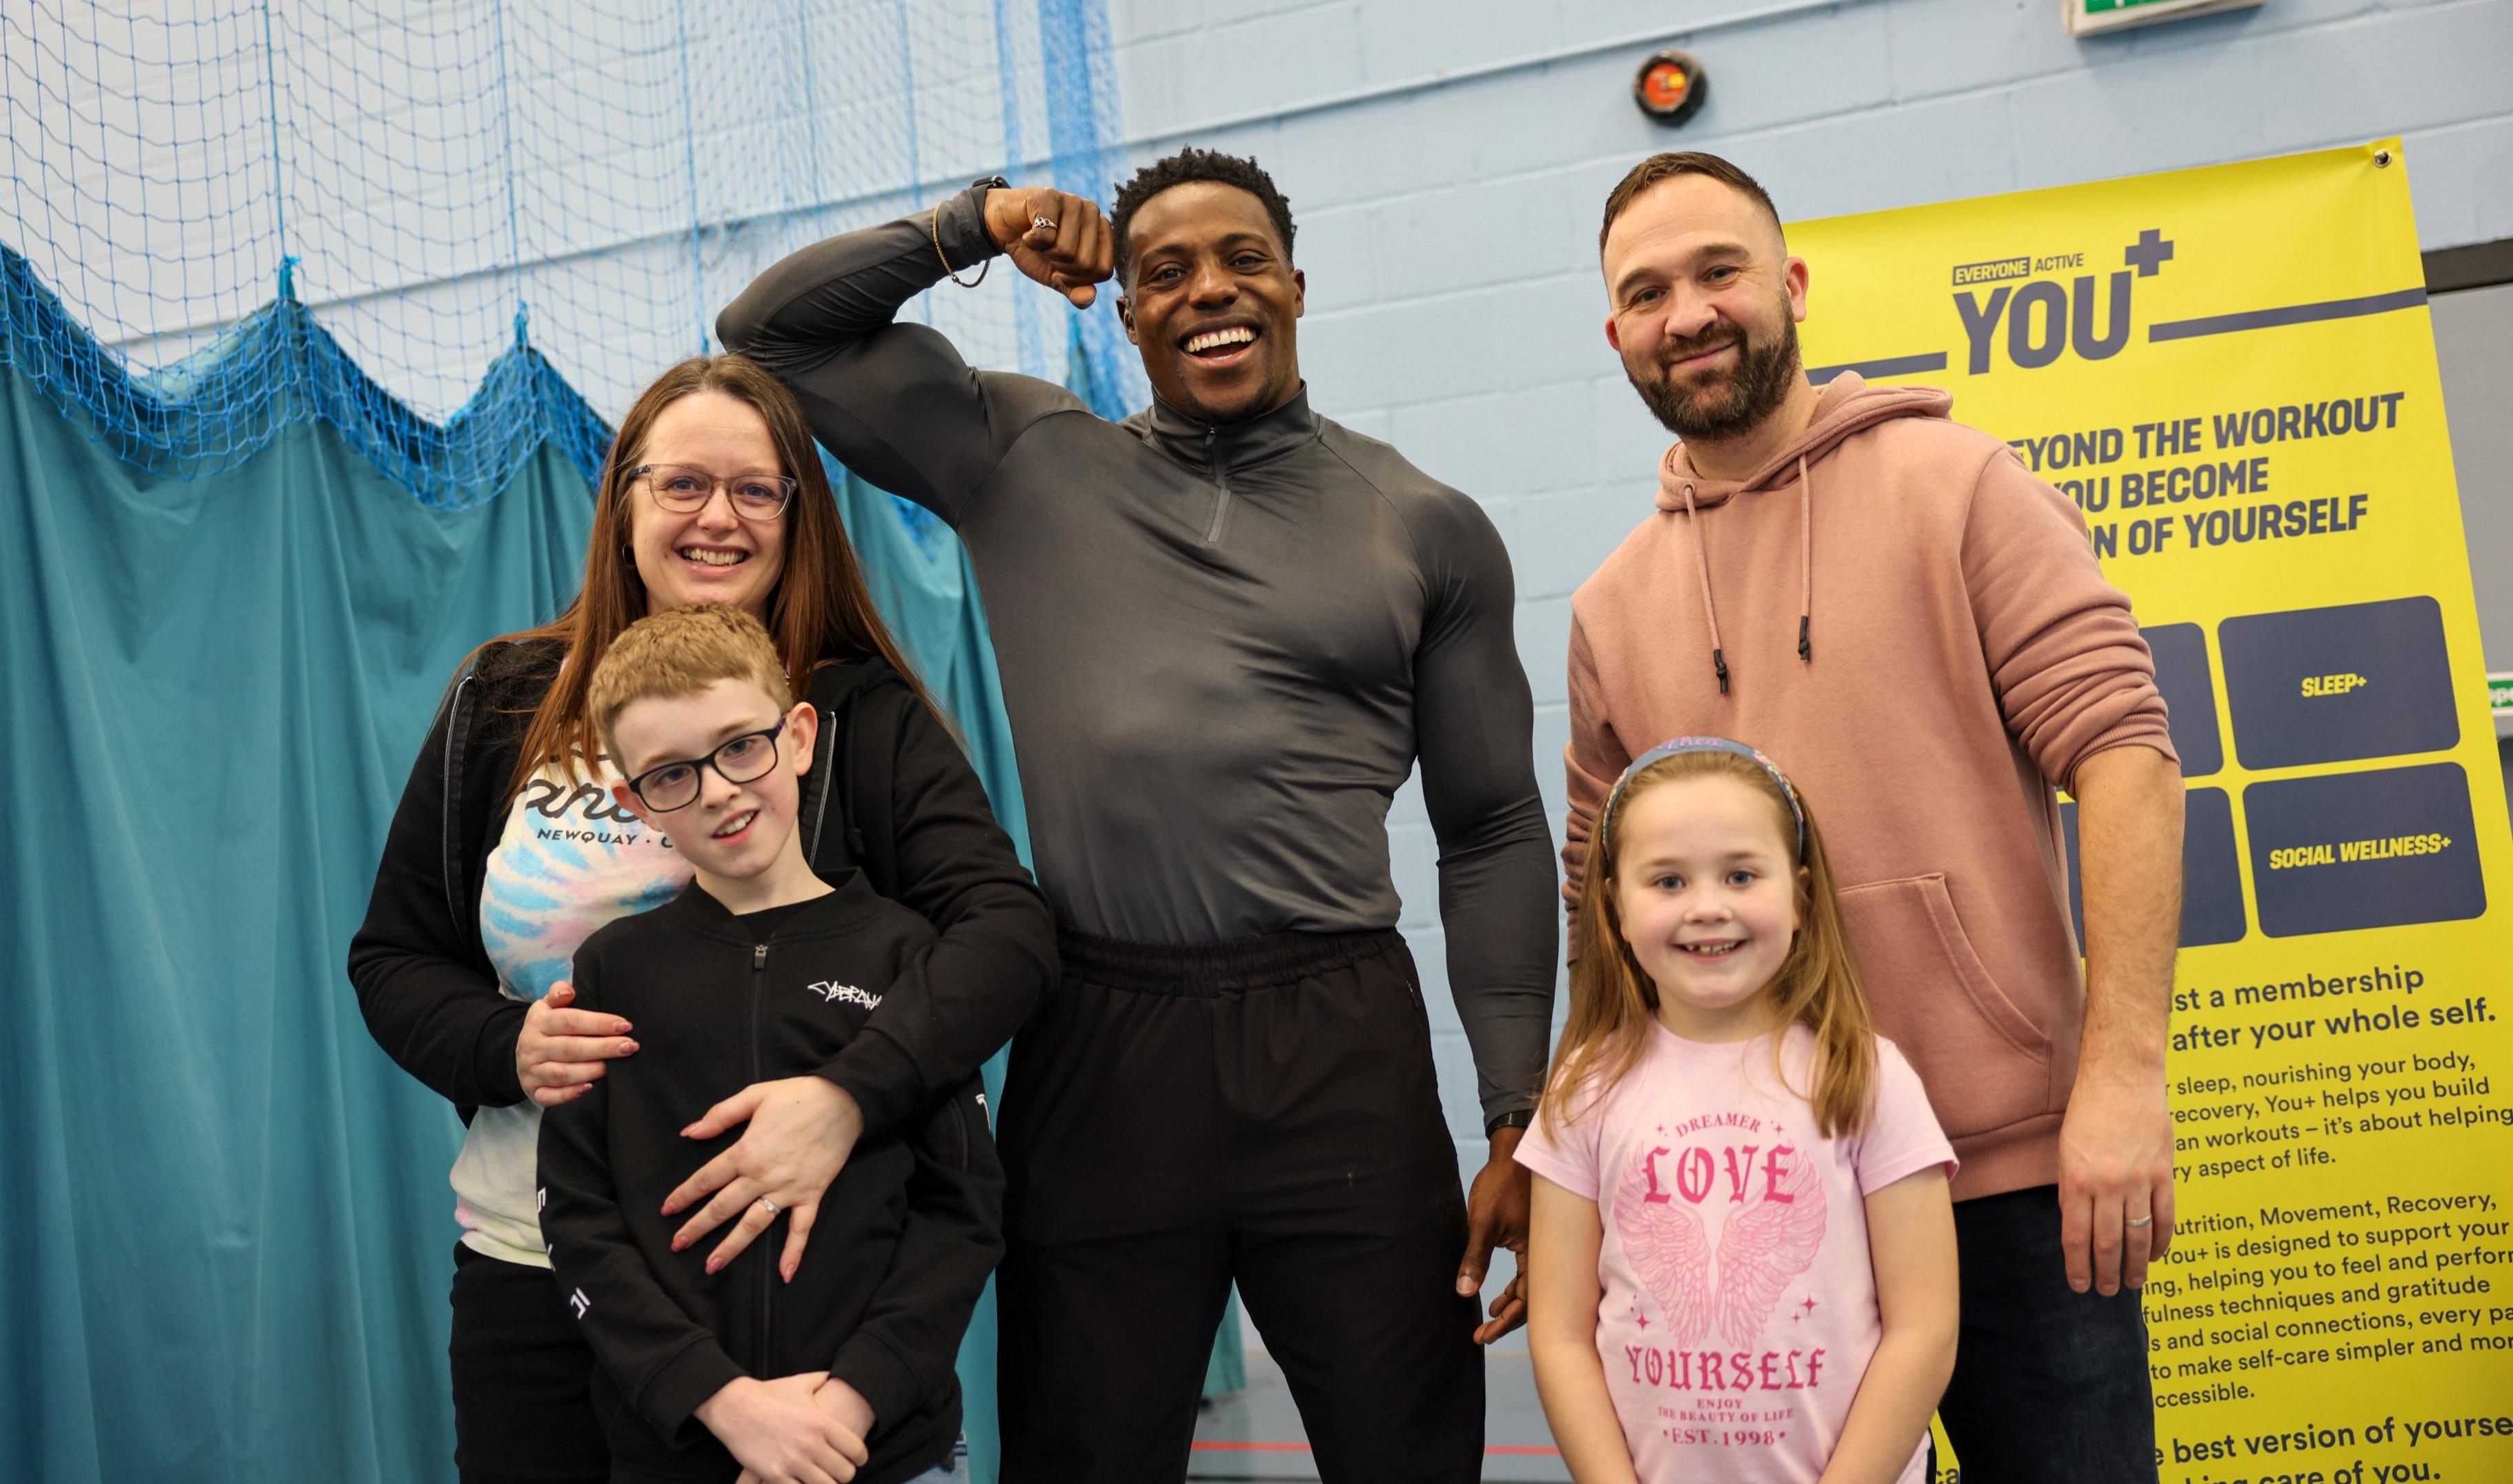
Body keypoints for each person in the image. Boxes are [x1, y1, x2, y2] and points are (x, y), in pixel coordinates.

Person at [720, 148, 1559, 1483]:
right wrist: (970, 225)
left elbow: (1496, 827)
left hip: (1337, 1041)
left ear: (1297, 286)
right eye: (1164, 271)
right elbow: (768, 333)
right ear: (1123, 309)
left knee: (1408, 1454)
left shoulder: (1425, 527)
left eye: (1242, 260)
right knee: (1085, 1455)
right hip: (1102, 1036)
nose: (1208, 292)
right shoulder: (1022, 460)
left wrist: (1523, 1117)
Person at [1564, 151, 2184, 1479]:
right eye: (1648, 290)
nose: (1689, 312)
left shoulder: (1957, 484)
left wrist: (2123, 1077)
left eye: (1720, 270)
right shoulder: (1612, 607)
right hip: (1755, 1197)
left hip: (2012, 1175)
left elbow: (2124, 753)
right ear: (1616, 331)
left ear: (1788, 284)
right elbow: (1593, 889)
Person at [346, 355, 1053, 1484]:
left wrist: (844, 1096)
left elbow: (1003, 938)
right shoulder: (503, 698)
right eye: (682, 484)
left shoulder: (858, 720)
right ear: (625, 499)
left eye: (756, 488)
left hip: (787, 1298)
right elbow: (394, 958)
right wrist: (505, 1046)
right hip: (541, 1272)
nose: (716, 517)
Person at [539, 603, 1000, 1484]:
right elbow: (578, 1216)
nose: (717, 789)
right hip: (680, 1450)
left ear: (797, 736)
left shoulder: (908, 957)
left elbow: (963, 1214)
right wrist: (726, 1404)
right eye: (671, 775)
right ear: (634, 802)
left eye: (739, 747)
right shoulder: (612, 971)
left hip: (880, 1449)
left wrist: (844, 1410)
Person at [1523, 739, 1957, 1484]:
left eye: (1741, 874)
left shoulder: (1866, 1077)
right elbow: (1560, 1335)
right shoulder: (1583, 1094)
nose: (1707, 907)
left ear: (1801, 895)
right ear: (1614, 910)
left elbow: (1924, 1328)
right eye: (1667, 880)